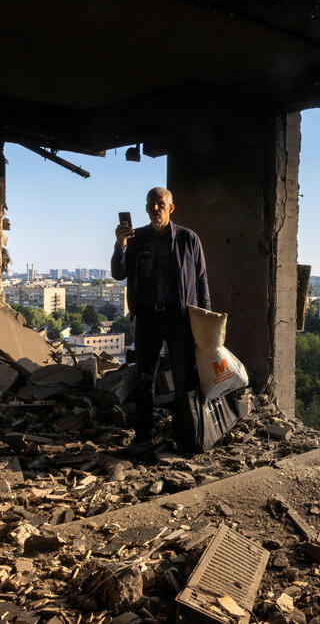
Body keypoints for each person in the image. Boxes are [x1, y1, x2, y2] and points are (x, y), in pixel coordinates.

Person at [111, 187, 210, 448]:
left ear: (171, 207)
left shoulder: (189, 239)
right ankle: (144, 436)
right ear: (145, 208)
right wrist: (120, 245)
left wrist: (205, 321)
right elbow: (118, 273)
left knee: (183, 379)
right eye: (150, 204)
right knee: (144, 379)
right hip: (147, 318)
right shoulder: (136, 238)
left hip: (179, 319)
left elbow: (201, 282)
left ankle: (186, 437)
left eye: (160, 203)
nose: (155, 208)